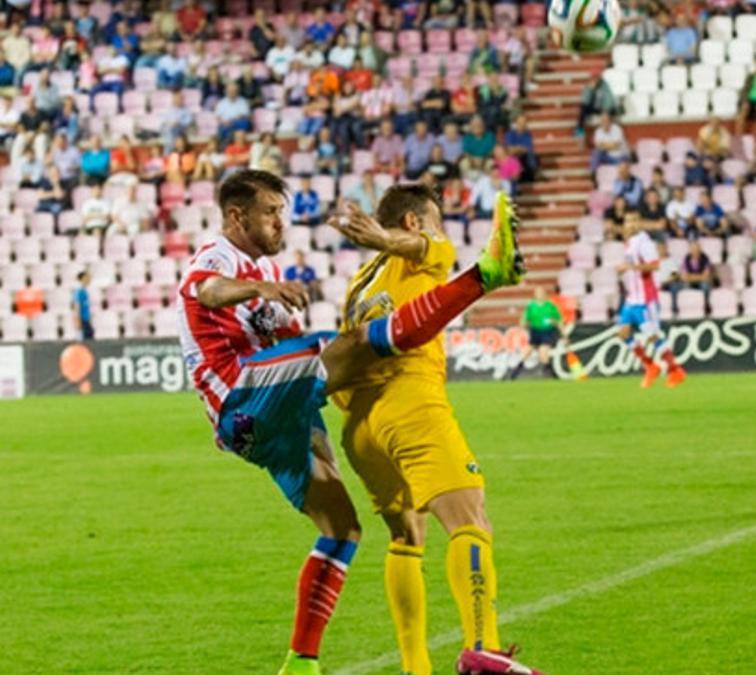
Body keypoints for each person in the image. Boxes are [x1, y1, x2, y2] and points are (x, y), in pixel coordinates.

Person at [175, 171, 525, 675]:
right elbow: (206, 291)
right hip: (244, 392)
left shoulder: (361, 279)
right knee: (354, 344)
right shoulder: (222, 256)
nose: (281, 222)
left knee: (342, 530)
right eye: (270, 211)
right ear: (237, 215)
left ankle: (301, 661)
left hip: (275, 419)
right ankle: (485, 275)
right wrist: (260, 285)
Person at [615, 213, 687, 389]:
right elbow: (633, 267)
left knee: (653, 336)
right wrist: (624, 270)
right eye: (627, 221)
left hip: (645, 299)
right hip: (631, 298)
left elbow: (654, 265)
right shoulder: (630, 243)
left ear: (638, 223)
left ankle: (675, 370)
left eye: (632, 220)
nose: (629, 224)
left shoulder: (644, 242)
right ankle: (650, 366)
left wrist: (630, 267)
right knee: (623, 333)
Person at [508, 285, 561, 380]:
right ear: (535, 295)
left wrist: (563, 334)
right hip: (535, 331)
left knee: (543, 353)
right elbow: (525, 318)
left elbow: (558, 320)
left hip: (547, 332)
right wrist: (522, 324)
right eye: (537, 293)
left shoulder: (550, 305)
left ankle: (552, 375)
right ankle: (515, 373)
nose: (539, 295)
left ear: (545, 294)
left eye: (541, 292)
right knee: (526, 352)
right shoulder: (531, 306)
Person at [73, 271, 93, 340]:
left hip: (86, 321)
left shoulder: (85, 291)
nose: (89, 279)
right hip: (82, 321)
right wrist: (78, 322)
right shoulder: (79, 292)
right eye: (87, 277)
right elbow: (77, 307)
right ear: (82, 279)